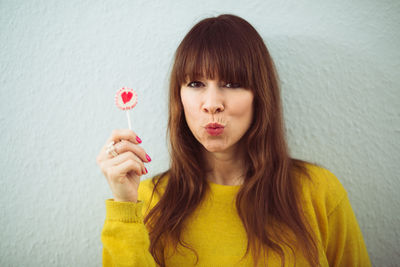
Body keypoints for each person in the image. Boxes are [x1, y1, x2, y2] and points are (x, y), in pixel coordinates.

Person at [96, 14, 371, 267]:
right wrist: (125, 206)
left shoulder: (319, 193)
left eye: (232, 83)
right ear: (178, 97)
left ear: (259, 95)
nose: (212, 104)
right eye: (195, 84)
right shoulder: (145, 201)